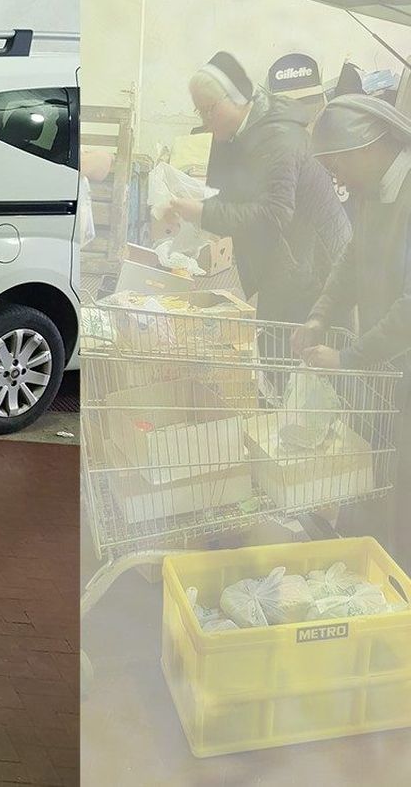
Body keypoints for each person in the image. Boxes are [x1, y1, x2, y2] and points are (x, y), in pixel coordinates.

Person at [293, 94, 411, 557]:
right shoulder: (372, 192)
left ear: (367, 147)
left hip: (398, 354)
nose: (333, 177)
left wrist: (350, 358)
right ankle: (381, 564)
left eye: (335, 163)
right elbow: (351, 257)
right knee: (385, 474)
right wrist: (320, 314)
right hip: (392, 364)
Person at [171, 52, 351, 326]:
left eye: (210, 109)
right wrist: (186, 211)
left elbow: (274, 215)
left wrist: (203, 213)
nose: (206, 120)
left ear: (237, 98)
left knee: (301, 358)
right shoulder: (241, 135)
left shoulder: (278, 138)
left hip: (316, 275)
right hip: (285, 267)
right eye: (200, 111)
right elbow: (230, 197)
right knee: (274, 357)